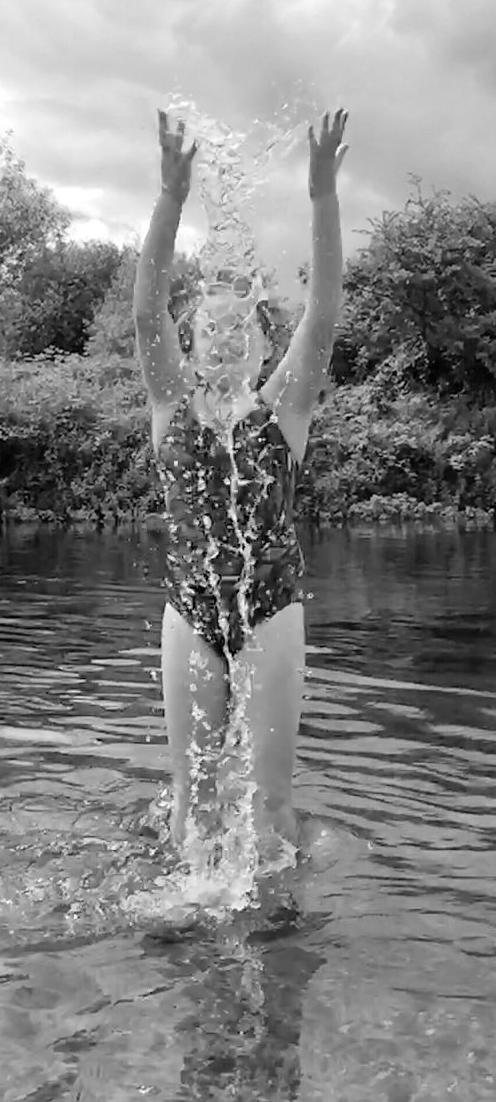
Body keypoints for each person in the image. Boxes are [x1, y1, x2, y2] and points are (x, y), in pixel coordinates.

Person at [133, 105, 348, 856]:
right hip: (188, 607)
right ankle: (192, 943)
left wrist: (321, 198)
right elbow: (143, 310)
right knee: (191, 805)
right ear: (191, 345)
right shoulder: (170, 406)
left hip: (270, 608)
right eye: (210, 328)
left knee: (266, 809)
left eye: (239, 328)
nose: (224, 336)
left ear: (260, 345)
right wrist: (170, 199)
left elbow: (321, 316)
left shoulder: (281, 413)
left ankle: (280, 936)